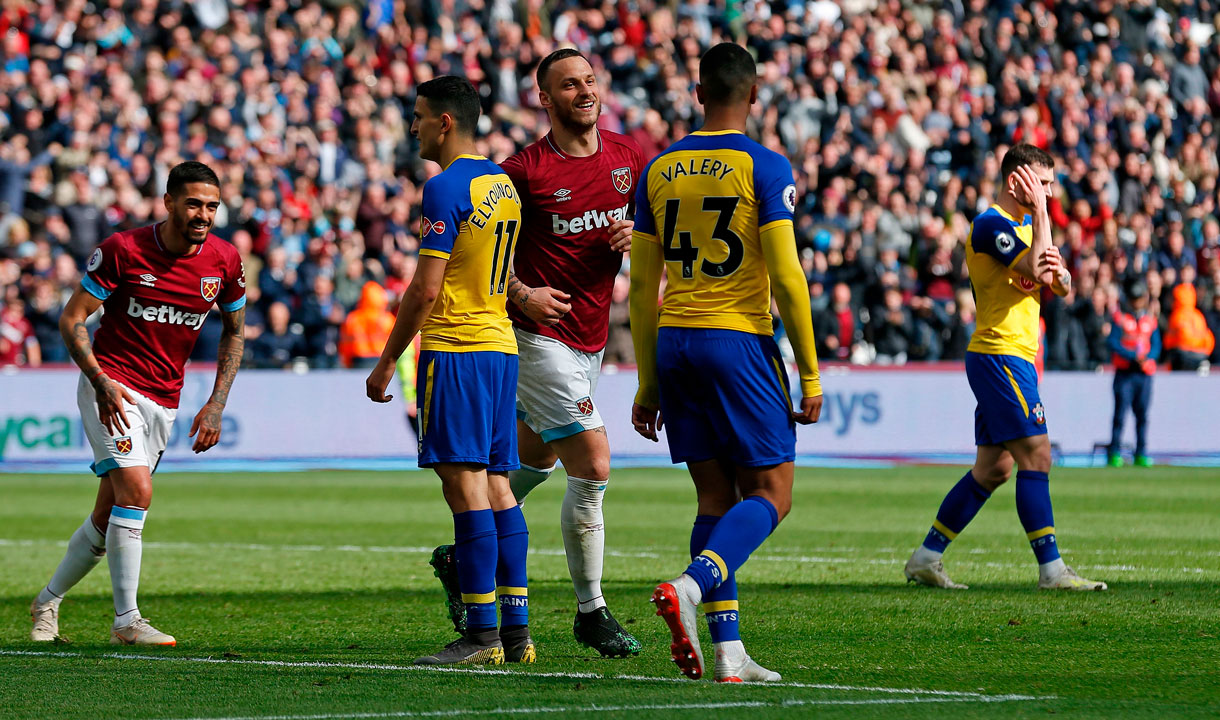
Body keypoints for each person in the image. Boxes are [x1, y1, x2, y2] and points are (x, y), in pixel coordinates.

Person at [430, 48, 644, 659]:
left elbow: (644, 229)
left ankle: (463, 553)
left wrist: (635, 235)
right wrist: (522, 293)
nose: (584, 91)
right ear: (544, 100)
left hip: (590, 338)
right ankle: (590, 610)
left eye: (590, 81)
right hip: (534, 338)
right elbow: (484, 249)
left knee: (531, 460)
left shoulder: (628, 158)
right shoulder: (522, 172)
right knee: (593, 463)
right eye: (568, 85)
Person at [629, 43, 823, 683]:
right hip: (736, 339)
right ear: (755, 97)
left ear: (697, 93)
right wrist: (812, 372)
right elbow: (788, 276)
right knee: (774, 493)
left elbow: (639, 287)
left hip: (676, 340)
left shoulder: (657, 169)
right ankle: (689, 587)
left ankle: (728, 652)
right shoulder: (765, 167)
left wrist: (648, 379)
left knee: (714, 495)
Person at [30, 161, 246, 645]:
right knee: (137, 493)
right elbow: (72, 320)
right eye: (193, 203)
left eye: (211, 205)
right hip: (113, 387)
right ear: (168, 202)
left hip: (164, 399)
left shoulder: (225, 261)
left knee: (108, 516)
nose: (203, 214)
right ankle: (126, 622)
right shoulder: (123, 250)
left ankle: (47, 601)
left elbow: (234, 333)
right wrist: (100, 381)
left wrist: (215, 404)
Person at [364, 76, 530, 666]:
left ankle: (481, 635)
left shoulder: (444, 188)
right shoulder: (503, 185)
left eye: (417, 116)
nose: (411, 126)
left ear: (445, 123)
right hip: (500, 347)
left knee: (465, 492)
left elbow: (425, 290)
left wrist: (388, 360)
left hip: (456, 348)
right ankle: (516, 633)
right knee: (499, 489)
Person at [903, 143, 1106, 592]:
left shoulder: (1022, 225)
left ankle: (926, 557)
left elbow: (1053, 280)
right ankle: (1052, 571)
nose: (1050, 193)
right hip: (1000, 354)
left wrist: (1065, 279)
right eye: (1043, 183)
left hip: (1014, 356)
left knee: (994, 469)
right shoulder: (991, 224)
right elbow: (1035, 264)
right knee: (1038, 455)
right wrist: (1041, 218)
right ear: (1018, 180)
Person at [1108, 282, 1160, 467]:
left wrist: (1146, 358)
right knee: (1120, 415)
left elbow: (1156, 346)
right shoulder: (1120, 318)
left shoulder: (1150, 320)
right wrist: (1132, 356)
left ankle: (1141, 452)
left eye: (1140, 299)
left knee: (1142, 415)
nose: (1137, 303)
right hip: (1125, 373)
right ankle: (1114, 452)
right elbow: (1113, 342)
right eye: (1134, 299)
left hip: (1143, 374)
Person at [1163, 282, 1215, 370]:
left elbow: (1169, 340)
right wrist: (1206, 353)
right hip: (1200, 356)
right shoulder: (1198, 315)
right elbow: (1209, 338)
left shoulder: (1176, 316)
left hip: (1181, 358)